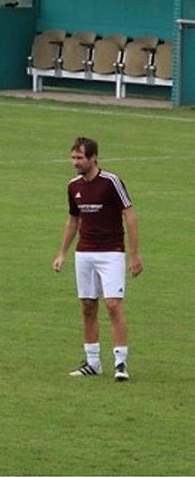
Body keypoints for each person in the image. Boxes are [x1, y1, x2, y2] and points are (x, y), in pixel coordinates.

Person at [52, 137, 142, 381]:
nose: (75, 163)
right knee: (88, 306)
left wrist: (134, 254)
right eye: (73, 158)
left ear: (93, 158)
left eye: (79, 158)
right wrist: (62, 253)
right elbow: (73, 220)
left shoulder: (111, 182)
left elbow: (130, 215)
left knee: (113, 305)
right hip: (85, 253)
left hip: (111, 252)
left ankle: (120, 362)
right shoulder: (73, 186)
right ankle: (92, 362)